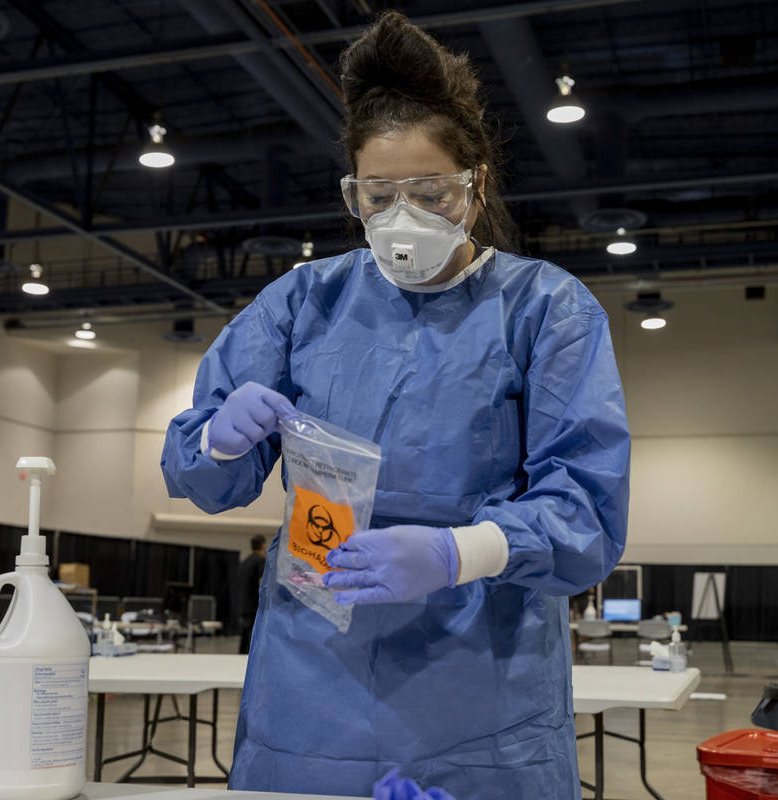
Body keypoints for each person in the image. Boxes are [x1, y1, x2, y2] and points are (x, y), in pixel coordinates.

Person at [162, 11, 629, 799]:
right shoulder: (303, 302)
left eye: (431, 193)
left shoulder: (546, 308)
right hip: (311, 682)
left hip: (481, 678)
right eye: (377, 196)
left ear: (475, 187)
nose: (401, 218)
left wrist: (459, 554)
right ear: (352, 193)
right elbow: (203, 480)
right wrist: (219, 443)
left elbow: (586, 514)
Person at [235, 534, 266, 654]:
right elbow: (262, 582)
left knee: (244, 635)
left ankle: (240, 659)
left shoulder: (244, 562)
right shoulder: (260, 561)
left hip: (242, 603)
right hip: (254, 604)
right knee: (252, 636)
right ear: (263, 546)